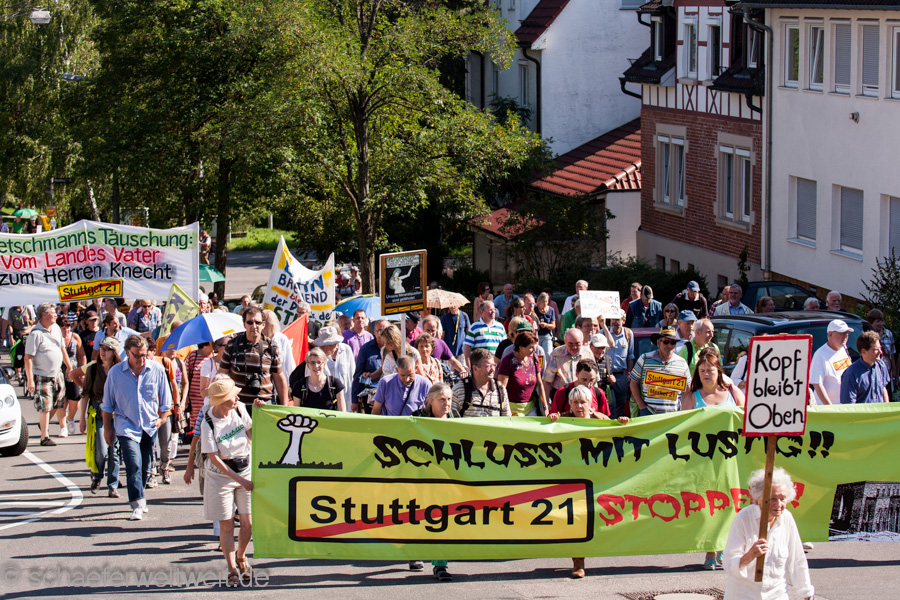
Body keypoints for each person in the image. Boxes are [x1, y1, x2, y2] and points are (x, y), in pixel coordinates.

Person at [548, 384, 628, 579]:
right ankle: (578, 562)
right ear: (570, 404)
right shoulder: (563, 419)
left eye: (583, 402)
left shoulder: (600, 420)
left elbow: (617, 433)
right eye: (575, 402)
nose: (579, 406)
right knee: (578, 518)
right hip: (573, 477)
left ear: (591, 404)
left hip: (598, 476)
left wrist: (622, 422)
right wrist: (551, 421)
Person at [101, 335, 172, 521]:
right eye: (137, 355)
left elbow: (166, 401)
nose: (142, 359)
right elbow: (107, 405)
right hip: (126, 425)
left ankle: (140, 494)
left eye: (144, 354)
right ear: (127, 353)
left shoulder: (156, 369)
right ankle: (137, 503)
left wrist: (162, 419)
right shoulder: (116, 373)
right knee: (133, 464)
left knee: (145, 467)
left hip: (149, 425)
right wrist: (108, 429)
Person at [723, 467, 814, 600]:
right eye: (773, 499)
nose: (778, 504)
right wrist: (749, 556)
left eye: (783, 499)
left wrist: (806, 593)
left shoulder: (787, 518)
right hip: (744, 594)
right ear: (759, 498)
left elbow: (797, 559)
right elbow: (728, 563)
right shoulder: (744, 518)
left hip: (777, 594)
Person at [199, 376, 253, 587]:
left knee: (248, 523)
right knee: (227, 524)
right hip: (220, 476)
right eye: (232, 396)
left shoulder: (239, 408)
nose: (237, 398)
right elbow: (214, 458)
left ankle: (241, 555)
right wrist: (238, 479)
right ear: (221, 400)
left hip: (245, 468)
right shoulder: (208, 422)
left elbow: (251, 432)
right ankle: (231, 568)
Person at [410, 381, 456, 580]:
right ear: (431, 401)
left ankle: (440, 565)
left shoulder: (455, 418)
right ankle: (415, 553)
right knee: (418, 516)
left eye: (449, 399)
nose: (447, 404)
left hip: (446, 478)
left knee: (442, 518)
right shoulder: (416, 419)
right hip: (421, 477)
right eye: (442, 400)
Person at [219, 307, 288, 413]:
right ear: (244, 324)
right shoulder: (232, 345)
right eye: (250, 322)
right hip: (238, 407)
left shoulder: (271, 347)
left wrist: (285, 409)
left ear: (263, 325)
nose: (254, 326)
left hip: (265, 407)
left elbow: (279, 378)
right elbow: (222, 375)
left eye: (258, 322)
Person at [80, 337, 124, 496]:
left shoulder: (120, 370)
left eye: (107, 349)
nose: (103, 352)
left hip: (116, 413)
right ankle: (97, 476)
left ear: (114, 352)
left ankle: (112, 485)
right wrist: (82, 418)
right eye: (101, 348)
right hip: (98, 411)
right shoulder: (93, 369)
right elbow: (85, 394)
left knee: (114, 451)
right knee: (101, 449)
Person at [25, 303, 73, 445]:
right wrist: (30, 380)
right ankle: (44, 436)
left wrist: (69, 366)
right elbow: (28, 358)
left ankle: (44, 423)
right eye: (53, 313)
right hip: (43, 374)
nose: (55, 315)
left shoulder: (56, 328)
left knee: (58, 402)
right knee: (45, 405)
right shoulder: (35, 334)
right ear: (44, 315)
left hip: (57, 373)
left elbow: (62, 348)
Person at [629, 326, 691, 416]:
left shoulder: (682, 363)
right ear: (658, 343)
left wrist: (683, 410)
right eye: (666, 342)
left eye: (673, 343)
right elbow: (634, 383)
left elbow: (688, 390)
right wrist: (642, 406)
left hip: (673, 415)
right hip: (648, 413)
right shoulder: (644, 359)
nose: (669, 346)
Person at [497, 331, 547, 416]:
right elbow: (502, 389)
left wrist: (545, 406)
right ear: (521, 348)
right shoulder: (508, 361)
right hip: (511, 409)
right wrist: (502, 410)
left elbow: (540, 384)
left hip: (531, 409)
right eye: (531, 347)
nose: (535, 350)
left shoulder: (534, 359)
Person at [451, 349, 511, 417]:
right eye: (488, 366)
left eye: (494, 365)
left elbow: (507, 418)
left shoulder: (500, 389)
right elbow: (451, 418)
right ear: (475, 368)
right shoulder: (459, 389)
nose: (492, 369)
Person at [809, 319, 852, 405]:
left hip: (844, 406)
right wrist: (830, 407)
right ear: (830, 334)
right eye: (841, 333)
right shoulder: (820, 354)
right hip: (828, 409)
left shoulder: (844, 349)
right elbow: (817, 384)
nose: (845, 337)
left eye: (846, 333)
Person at [351, 318, 391, 411]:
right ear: (374, 332)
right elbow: (358, 375)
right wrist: (354, 401)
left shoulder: (395, 348)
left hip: (391, 394)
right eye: (379, 330)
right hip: (371, 397)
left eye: (385, 330)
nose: (382, 333)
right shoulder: (365, 349)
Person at [840, 331, 890, 404]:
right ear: (864, 352)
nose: (880, 352)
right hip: (861, 412)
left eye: (880, 348)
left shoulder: (881, 366)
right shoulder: (851, 373)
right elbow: (848, 404)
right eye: (876, 349)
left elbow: (883, 389)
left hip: (880, 411)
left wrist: (886, 407)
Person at [543, 328, 593, 399]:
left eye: (577, 344)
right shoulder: (556, 354)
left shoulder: (588, 353)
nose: (574, 347)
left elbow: (594, 379)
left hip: (583, 396)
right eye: (570, 344)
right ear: (565, 341)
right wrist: (546, 403)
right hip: (561, 395)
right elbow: (547, 381)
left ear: (582, 341)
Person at [58, 315, 86, 435]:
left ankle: (70, 418)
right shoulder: (56, 338)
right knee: (61, 401)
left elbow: (81, 355)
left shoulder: (75, 337)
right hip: (59, 372)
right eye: (63, 328)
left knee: (75, 400)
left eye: (68, 328)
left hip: (73, 373)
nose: (66, 330)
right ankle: (63, 427)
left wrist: (82, 371)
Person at [603, 310, 633, 420]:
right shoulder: (603, 332)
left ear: (623, 321)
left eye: (617, 319)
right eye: (613, 319)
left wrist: (629, 374)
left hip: (621, 374)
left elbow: (630, 355)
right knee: (609, 405)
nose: (615, 322)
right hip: (606, 375)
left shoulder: (628, 334)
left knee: (621, 404)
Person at [262, 310, 297, 398]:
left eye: (264, 322)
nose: (262, 325)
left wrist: (292, 387)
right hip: (264, 389)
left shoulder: (282, 339)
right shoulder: (258, 340)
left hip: (280, 389)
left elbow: (290, 364)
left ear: (271, 324)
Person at [463, 301, 506, 367]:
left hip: (496, 366)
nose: (493, 311)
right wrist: (469, 365)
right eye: (490, 310)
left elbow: (504, 347)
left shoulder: (500, 327)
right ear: (482, 311)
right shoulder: (474, 327)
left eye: (494, 309)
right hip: (480, 366)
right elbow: (467, 347)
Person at [867, 309, 896, 396]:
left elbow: (892, 353)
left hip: (887, 370)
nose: (881, 324)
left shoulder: (888, 334)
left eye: (882, 321)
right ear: (871, 322)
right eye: (878, 321)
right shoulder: (867, 335)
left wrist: (894, 369)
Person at [534, 292, 557, 357]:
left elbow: (553, 325)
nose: (545, 303)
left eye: (546, 301)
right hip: (537, 335)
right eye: (543, 301)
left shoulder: (551, 310)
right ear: (539, 302)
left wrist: (546, 325)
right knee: (538, 355)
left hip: (546, 335)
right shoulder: (535, 310)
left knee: (547, 354)